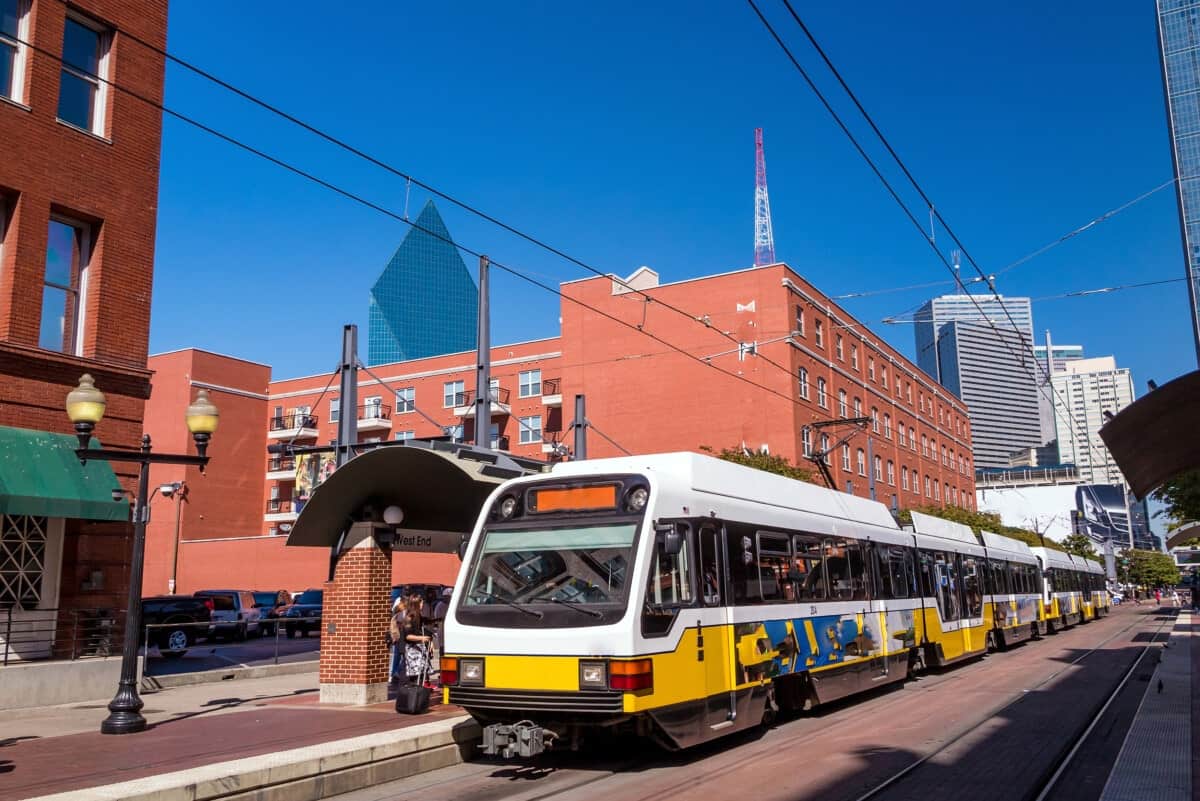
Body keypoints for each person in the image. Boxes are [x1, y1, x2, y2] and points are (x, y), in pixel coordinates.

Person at [401, 595, 432, 686]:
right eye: (421, 603)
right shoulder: (410, 617)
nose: (422, 605)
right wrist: (422, 638)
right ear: (416, 604)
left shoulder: (419, 616)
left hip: (419, 649)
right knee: (415, 676)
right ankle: (414, 695)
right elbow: (408, 636)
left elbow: (425, 626)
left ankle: (419, 693)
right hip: (412, 650)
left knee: (422, 674)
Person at [388, 596, 405, 687]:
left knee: (398, 656)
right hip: (397, 637)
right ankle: (394, 673)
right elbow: (396, 626)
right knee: (397, 656)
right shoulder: (398, 613)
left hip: (398, 637)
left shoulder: (399, 611)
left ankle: (395, 673)